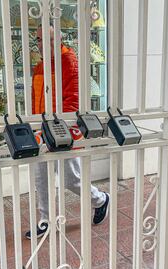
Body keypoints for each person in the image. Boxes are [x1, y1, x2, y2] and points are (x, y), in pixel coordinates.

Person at [25, 25, 109, 239]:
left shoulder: (69, 61)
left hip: (63, 133)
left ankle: (100, 200)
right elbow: (37, 101)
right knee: (41, 178)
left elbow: (73, 101)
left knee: (72, 179)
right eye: (39, 40)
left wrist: (63, 133)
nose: (42, 45)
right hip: (41, 131)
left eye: (47, 40)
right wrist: (36, 127)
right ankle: (46, 221)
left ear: (58, 40)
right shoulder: (40, 67)